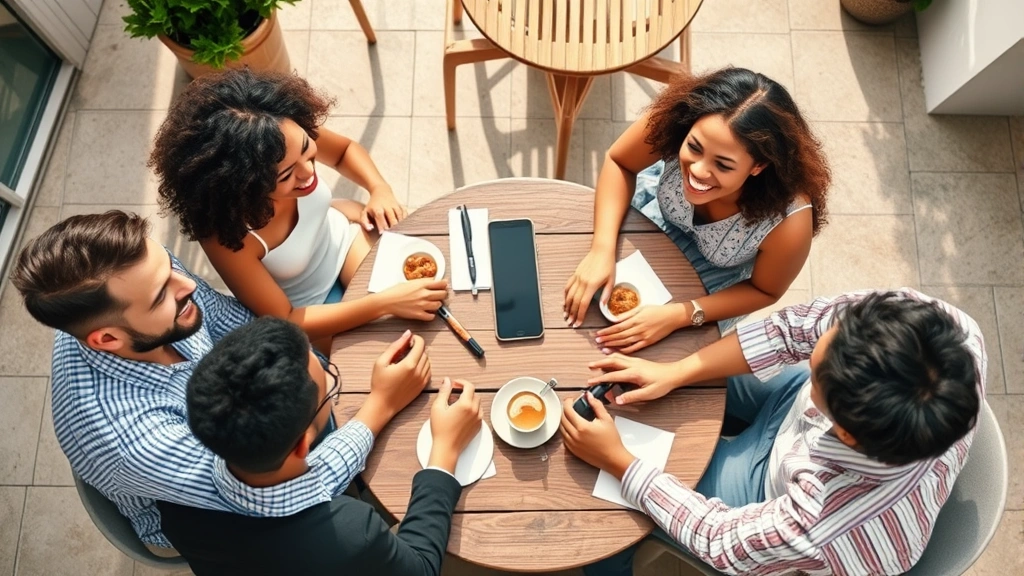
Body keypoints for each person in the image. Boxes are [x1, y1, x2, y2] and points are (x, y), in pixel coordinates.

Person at [8, 210, 432, 552]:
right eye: (162, 295)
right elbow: (280, 494)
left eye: (167, 265)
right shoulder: (136, 440)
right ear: (107, 339)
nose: (189, 283)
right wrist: (377, 407)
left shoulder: (138, 284)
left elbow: (234, 322)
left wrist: (309, 363)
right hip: (208, 517)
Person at [560, 289, 985, 576]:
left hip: (772, 488)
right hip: (797, 424)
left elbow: (719, 538)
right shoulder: (945, 327)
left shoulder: (826, 525)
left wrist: (620, 462)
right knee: (679, 366)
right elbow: (793, 330)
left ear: (847, 431)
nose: (810, 350)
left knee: (617, 511)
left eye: (817, 378)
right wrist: (676, 372)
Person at [158, 317, 482, 575]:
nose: (328, 372)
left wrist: (382, 403)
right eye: (329, 383)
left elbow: (306, 480)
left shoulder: (175, 496)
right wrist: (444, 453)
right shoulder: (352, 534)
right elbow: (421, 567)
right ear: (303, 445)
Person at [149, 68, 447, 349]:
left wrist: (379, 189)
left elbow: (344, 151)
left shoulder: (284, 132)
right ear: (243, 186)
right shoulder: (225, 234)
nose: (308, 173)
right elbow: (287, 319)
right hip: (310, 312)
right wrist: (384, 303)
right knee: (391, 353)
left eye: (308, 151)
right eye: (286, 175)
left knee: (430, 317)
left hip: (346, 242)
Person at [563, 67, 831, 349]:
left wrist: (681, 316)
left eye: (723, 165)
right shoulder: (676, 122)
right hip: (650, 225)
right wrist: (601, 250)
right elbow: (620, 162)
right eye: (694, 147)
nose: (698, 171)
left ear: (758, 167)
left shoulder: (790, 221)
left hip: (712, 290)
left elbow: (764, 290)